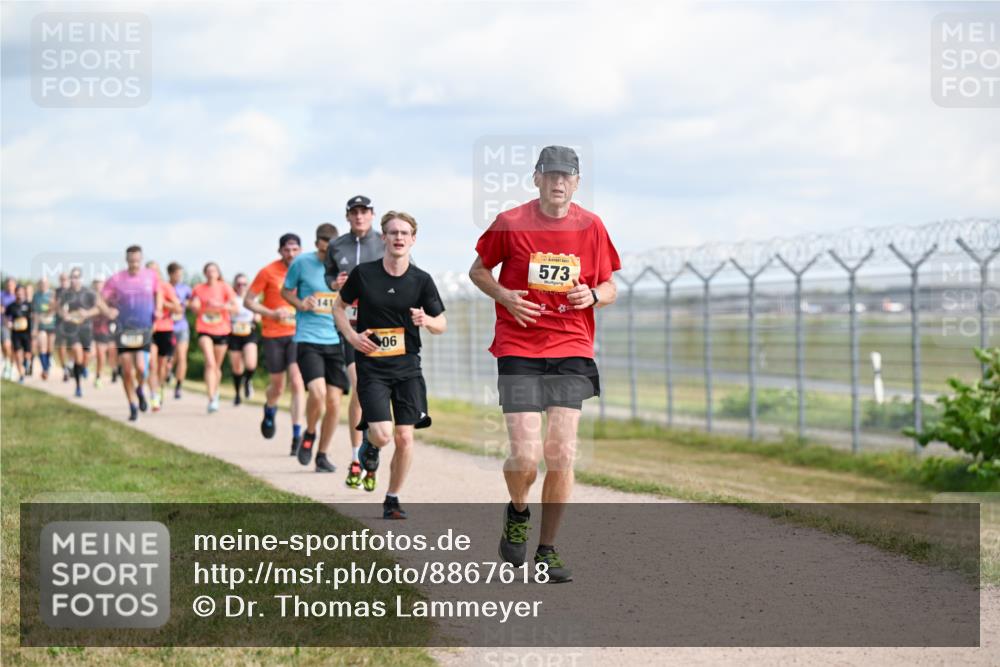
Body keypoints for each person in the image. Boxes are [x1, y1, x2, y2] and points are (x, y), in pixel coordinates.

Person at [469, 145, 620, 583]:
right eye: (550, 174)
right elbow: (478, 271)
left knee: (562, 452)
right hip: (519, 347)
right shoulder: (511, 223)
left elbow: (610, 284)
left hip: (571, 346)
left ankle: (548, 549)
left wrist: (593, 295)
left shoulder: (591, 226)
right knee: (526, 457)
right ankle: (518, 510)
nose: (558, 182)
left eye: (566, 176)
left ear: (576, 181)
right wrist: (504, 295)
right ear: (536, 178)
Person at [336, 211, 447, 519]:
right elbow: (339, 307)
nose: (399, 237)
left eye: (405, 233)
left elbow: (442, 323)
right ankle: (370, 446)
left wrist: (427, 320)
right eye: (393, 232)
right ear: (383, 238)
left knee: (405, 436)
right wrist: (352, 337)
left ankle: (392, 499)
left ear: (413, 239)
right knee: (383, 434)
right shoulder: (364, 274)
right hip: (372, 366)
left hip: (408, 367)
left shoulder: (421, 280)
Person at [326, 195, 386, 489]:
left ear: (372, 215)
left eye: (364, 211)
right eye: (354, 212)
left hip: (382, 327)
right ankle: (355, 456)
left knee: (376, 391)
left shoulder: (386, 241)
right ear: (348, 216)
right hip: (349, 327)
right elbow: (328, 276)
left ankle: (370, 447)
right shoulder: (337, 246)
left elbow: (405, 271)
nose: (360, 216)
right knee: (360, 387)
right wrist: (335, 283)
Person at [281, 223, 347, 473]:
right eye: (323, 244)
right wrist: (300, 303)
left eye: (331, 245)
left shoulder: (343, 267)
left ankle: (322, 453)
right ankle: (309, 433)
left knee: (334, 402)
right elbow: (285, 291)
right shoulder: (301, 263)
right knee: (317, 394)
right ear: (317, 243)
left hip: (336, 339)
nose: (327, 249)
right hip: (308, 338)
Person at [247, 233, 306, 455]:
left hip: (298, 333)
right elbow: (248, 301)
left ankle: (296, 435)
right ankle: (269, 409)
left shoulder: (306, 269)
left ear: (300, 250)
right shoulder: (268, 272)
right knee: (278, 386)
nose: (290, 254)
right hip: (273, 334)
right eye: (286, 250)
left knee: (297, 382)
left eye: (294, 250)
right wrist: (271, 313)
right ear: (280, 251)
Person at [99, 245, 161, 421]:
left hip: (144, 328)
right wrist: (108, 312)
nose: (134, 264)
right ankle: (132, 406)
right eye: (131, 260)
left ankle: (140, 389)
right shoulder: (116, 279)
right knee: (127, 371)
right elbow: (100, 299)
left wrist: (158, 309)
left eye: (137, 260)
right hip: (123, 329)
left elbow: (159, 294)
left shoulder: (151, 276)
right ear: (126, 260)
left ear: (141, 260)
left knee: (142, 368)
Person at [189, 262, 239, 414]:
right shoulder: (199, 288)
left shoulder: (225, 287)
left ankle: (215, 392)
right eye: (208, 271)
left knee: (216, 366)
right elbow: (193, 306)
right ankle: (211, 399)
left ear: (218, 273)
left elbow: (235, 309)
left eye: (214, 270)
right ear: (205, 273)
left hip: (222, 330)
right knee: (210, 363)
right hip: (204, 329)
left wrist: (220, 305)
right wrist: (196, 305)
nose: (211, 273)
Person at [59, 268, 100, 397]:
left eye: (77, 277)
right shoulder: (66, 293)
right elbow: (60, 308)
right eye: (73, 277)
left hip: (86, 328)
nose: (74, 279)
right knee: (77, 353)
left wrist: (87, 313)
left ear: (81, 278)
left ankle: (81, 368)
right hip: (72, 328)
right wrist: (64, 315)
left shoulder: (88, 292)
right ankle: (78, 387)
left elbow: (98, 309)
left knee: (86, 356)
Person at [147, 261, 182, 411]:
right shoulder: (142, 287)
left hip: (165, 329)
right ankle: (153, 395)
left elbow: (178, 308)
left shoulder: (166, 287)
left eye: (155, 271)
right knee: (151, 364)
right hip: (148, 329)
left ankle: (160, 388)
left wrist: (162, 304)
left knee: (162, 365)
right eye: (149, 271)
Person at [228, 273, 260, 406]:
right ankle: (237, 394)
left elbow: (258, 315)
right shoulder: (231, 298)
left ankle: (247, 381)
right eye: (239, 284)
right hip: (233, 333)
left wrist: (257, 317)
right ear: (235, 285)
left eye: (244, 284)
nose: (241, 286)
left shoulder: (253, 298)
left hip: (249, 332)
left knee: (251, 363)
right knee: (237, 367)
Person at [167, 262, 192, 399]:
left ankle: (178, 386)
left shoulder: (185, 288)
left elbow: (192, 301)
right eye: (177, 274)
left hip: (182, 326)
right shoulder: (165, 287)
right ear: (170, 274)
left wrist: (187, 303)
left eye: (181, 274)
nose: (179, 277)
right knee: (169, 357)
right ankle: (168, 371)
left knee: (182, 356)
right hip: (167, 326)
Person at [91, 278, 116, 387]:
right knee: (98, 354)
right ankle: (98, 376)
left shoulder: (110, 297)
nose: (98, 285)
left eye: (100, 283)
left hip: (107, 329)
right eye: (96, 283)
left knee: (110, 354)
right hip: (92, 329)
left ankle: (114, 369)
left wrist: (105, 310)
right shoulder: (89, 297)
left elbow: (113, 312)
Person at [4, 283, 33, 383]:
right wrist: (8, 323)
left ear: (24, 293)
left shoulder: (29, 305)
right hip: (16, 333)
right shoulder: (11, 306)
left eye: (21, 292)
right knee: (16, 353)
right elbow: (6, 317)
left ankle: (26, 362)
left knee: (27, 354)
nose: (20, 294)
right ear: (15, 293)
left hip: (27, 333)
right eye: (18, 292)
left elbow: (33, 317)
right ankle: (21, 375)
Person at [32, 277, 57, 380]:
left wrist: (52, 305)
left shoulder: (52, 294)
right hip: (41, 325)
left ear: (48, 284)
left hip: (52, 325)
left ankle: (49, 362)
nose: (43, 285)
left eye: (45, 283)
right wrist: (35, 327)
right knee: (42, 346)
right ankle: (45, 369)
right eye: (41, 283)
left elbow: (56, 308)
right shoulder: (36, 296)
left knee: (50, 348)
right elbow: (35, 313)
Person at [53, 273, 72, 382]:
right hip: (60, 322)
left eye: (65, 279)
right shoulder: (56, 292)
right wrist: (61, 313)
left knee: (73, 346)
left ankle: (70, 364)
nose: (64, 281)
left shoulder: (73, 291)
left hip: (72, 323)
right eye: (62, 279)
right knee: (61, 346)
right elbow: (54, 305)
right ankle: (65, 368)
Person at [2, 276, 17, 380]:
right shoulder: (1, 295)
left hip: (17, 326)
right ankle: (7, 364)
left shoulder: (18, 295)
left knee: (13, 347)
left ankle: (11, 367)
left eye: (11, 284)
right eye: (8, 284)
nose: (10, 286)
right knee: (5, 345)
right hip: (4, 324)